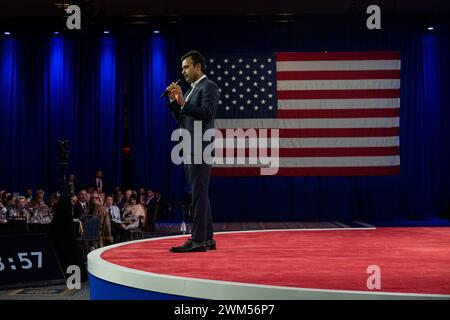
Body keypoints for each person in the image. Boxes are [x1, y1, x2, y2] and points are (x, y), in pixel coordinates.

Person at [166, 50, 219, 252]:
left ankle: (197, 240)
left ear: (198, 67)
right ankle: (207, 238)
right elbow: (183, 119)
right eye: (182, 68)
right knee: (200, 194)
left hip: (200, 147)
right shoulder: (189, 91)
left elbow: (207, 114)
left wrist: (182, 102)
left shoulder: (209, 86)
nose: (183, 71)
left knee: (198, 194)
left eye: (187, 67)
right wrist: (174, 102)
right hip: (188, 147)